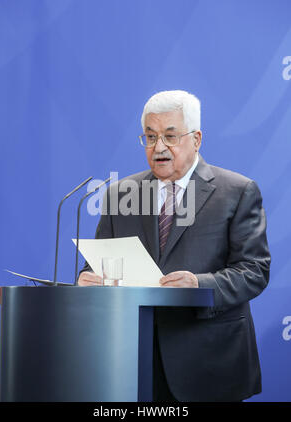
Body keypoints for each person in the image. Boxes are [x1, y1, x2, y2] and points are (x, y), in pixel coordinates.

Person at [78, 90, 271, 402]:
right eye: (150, 137)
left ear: (196, 139)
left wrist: (198, 284)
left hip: (209, 362)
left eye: (170, 136)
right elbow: (99, 265)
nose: (159, 147)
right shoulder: (120, 194)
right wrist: (87, 279)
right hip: (132, 363)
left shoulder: (237, 191)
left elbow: (255, 271)